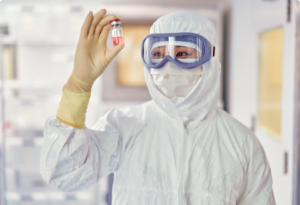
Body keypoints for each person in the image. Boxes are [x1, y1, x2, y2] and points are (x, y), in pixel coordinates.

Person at [40, 9, 276, 205]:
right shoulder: (125, 126)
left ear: (210, 60)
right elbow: (64, 173)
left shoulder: (242, 144)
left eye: (183, 53)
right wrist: (79, 84)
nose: (168, 65)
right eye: (157, 54)